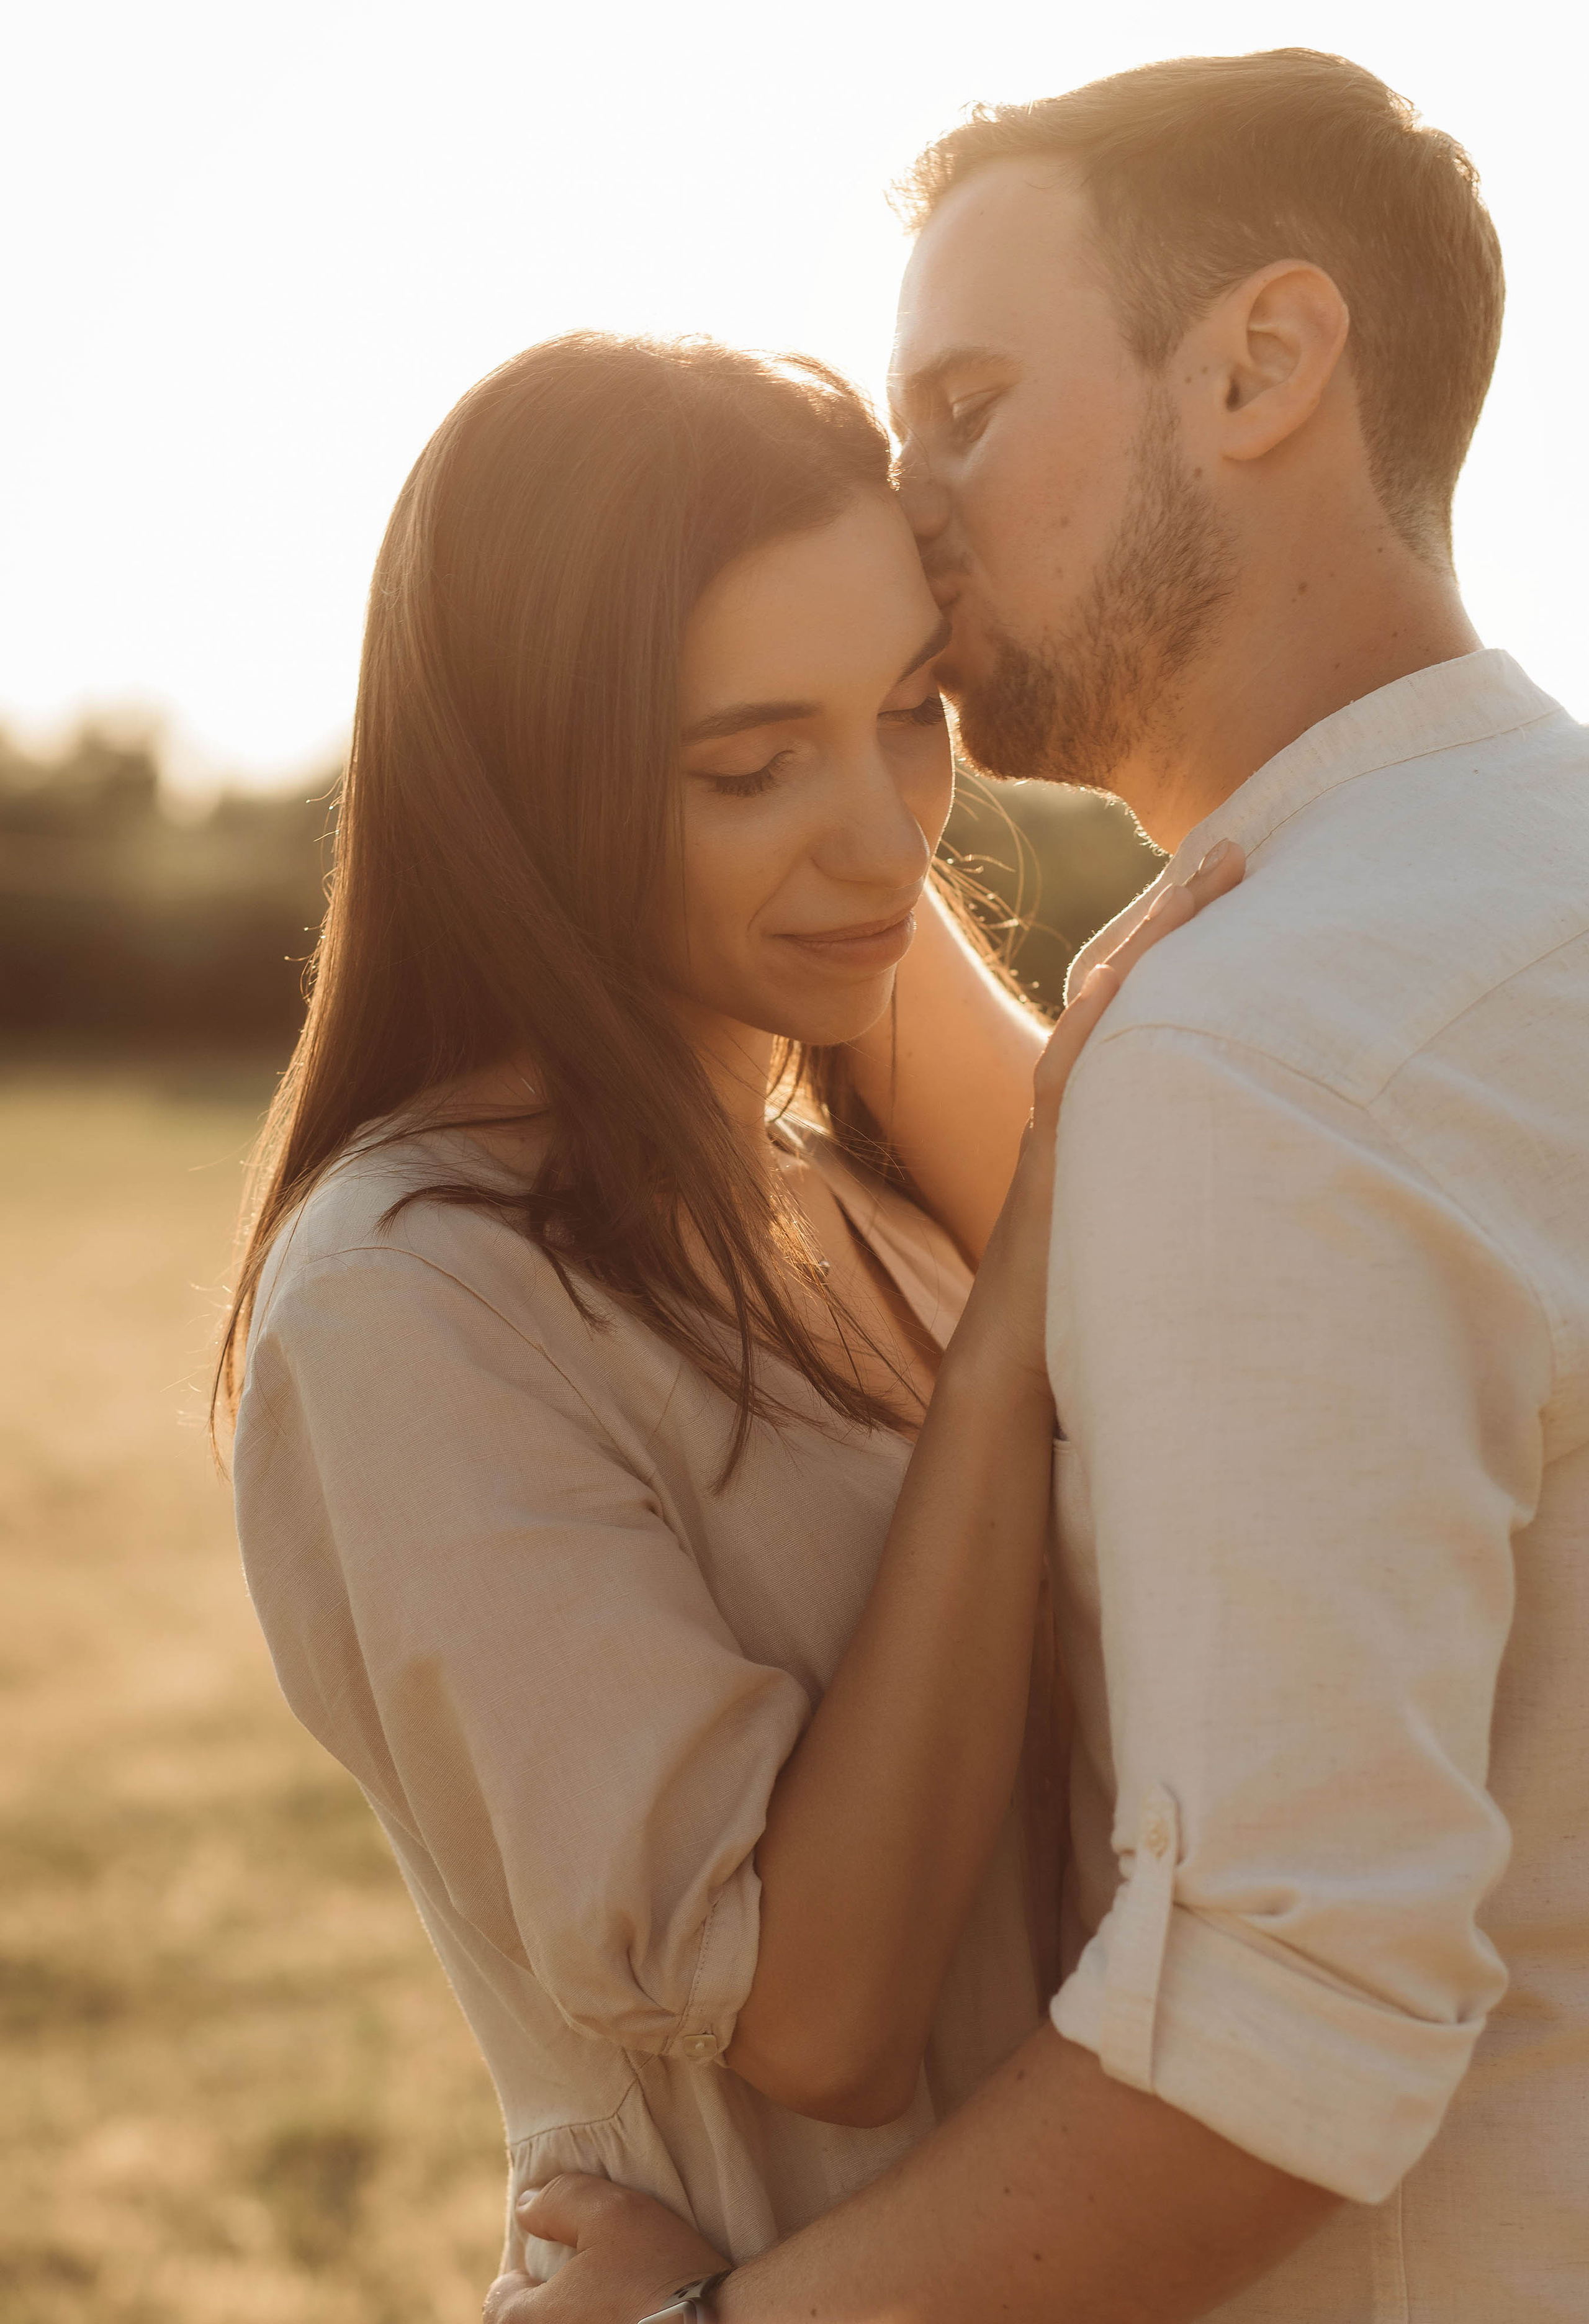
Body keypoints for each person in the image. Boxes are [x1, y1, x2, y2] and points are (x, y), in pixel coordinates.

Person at [491, 48, 1589, 2324]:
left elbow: (1281, 2044)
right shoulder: (1507, 895)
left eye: (968, 407)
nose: (913, 510)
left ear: (1265, 364)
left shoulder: (1266, 1039)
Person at [222, 336, 1239, 2280]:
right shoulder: (410, 1302)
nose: (885, 837)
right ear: (526, 778)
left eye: (913, 713)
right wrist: (1012, 1330)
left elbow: (1078, 1181)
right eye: (751, 764)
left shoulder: (855, 1197)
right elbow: (825, 2015)